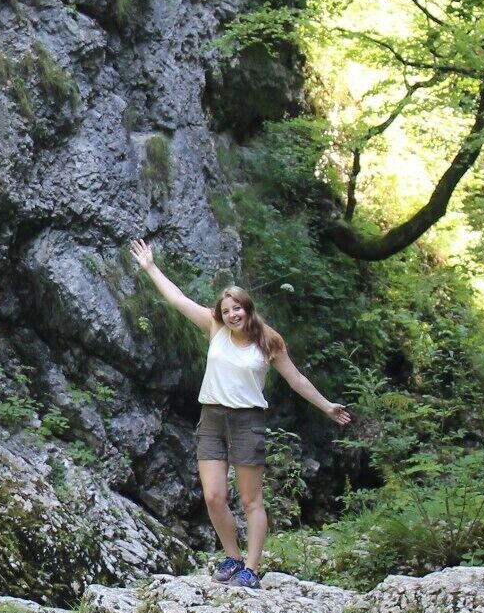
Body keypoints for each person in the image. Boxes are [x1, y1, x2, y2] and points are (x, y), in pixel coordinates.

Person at [129, 239, 352, 589]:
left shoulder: (268, 341)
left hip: (247, 421)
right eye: (227, 310)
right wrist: (151, 267)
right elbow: (178, 300)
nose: (233, 315)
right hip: (212, 418)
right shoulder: (214, 329)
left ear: (248, 310)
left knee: (251, 500)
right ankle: (233, 558)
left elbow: (296, 379)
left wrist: (326, 405)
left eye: (238, 309)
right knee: (214, 496)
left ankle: (251, 568)